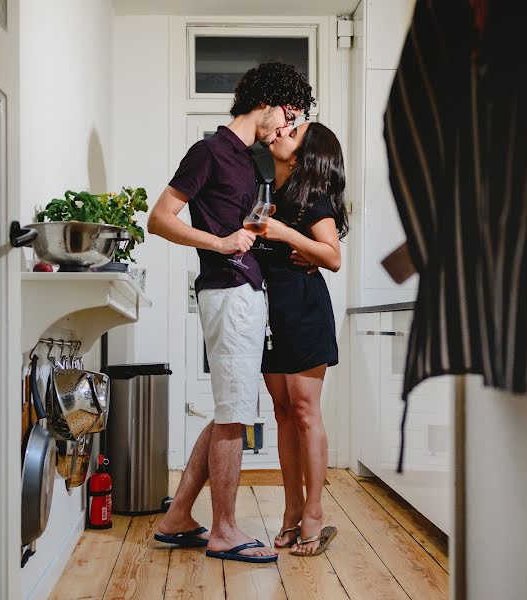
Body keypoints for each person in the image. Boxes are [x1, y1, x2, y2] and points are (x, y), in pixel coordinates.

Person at [146, 62, 314, 564]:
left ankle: (179, 517)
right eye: (286, 115)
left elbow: (238, 225)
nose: (286, 127)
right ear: (265, 102)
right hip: (227, 291)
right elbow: (160, 218)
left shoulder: (249, 160)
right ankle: (223, 529)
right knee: (235, 414)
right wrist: (220, 241)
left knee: (227, 408)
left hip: (244, 290)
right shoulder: (211, 151)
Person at [256, 120, 348, 556]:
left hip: (305, 311)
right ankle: (291, 509)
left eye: (291, 132)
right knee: (282, 412)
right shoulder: (266, 191)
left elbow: (332, 256)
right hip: (270, 313)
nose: (279, 131)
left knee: (306, 411)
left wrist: (289, 234)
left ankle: (314, 511)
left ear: (301, 155)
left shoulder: (313, 197)